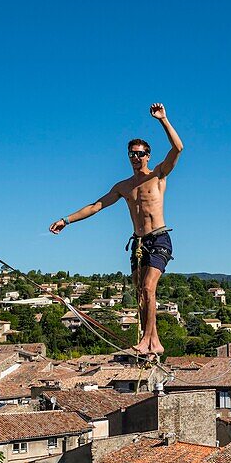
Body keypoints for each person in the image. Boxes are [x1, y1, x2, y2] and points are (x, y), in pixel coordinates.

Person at [49, 103, 183, 356]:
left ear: (148, 155)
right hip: (139, 243)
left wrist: (163, 120)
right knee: (140, 294)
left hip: (159, 238)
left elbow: (178, 148)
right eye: (132, 153)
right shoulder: (123, 186)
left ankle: (147, 339)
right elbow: (96, 206)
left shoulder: (159, 175)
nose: (135, 157)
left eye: (140, 153)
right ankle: (153, 341)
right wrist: (66, 220)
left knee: (148, 288)